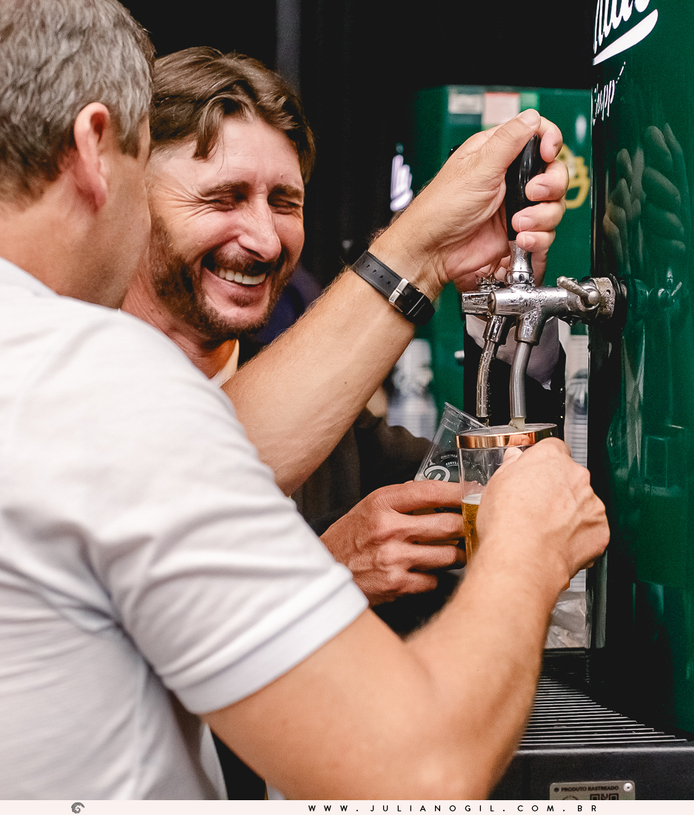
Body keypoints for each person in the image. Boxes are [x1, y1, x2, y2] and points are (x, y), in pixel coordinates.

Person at [0, 0, 608, 801]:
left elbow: (213, 444)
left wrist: (426, 245)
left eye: (284, 201)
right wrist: (528, 542)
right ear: (93, 147)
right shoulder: (86, 378)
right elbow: (417, 765)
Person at [122, 48, 462, 608]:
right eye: (222, 198)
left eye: (284, 202)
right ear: (129, 202)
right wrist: (325, 574)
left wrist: (498, 326)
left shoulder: (326, 413)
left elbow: (471, 498)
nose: (266, 239)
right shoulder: (67, 393)